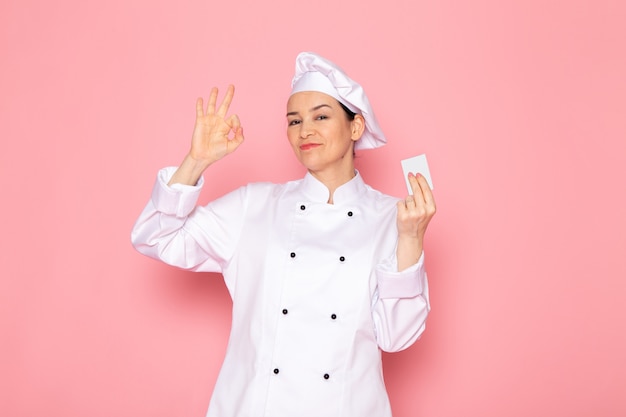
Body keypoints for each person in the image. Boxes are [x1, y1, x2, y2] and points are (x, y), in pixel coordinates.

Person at [131, 52, 436, 417]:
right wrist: (196, 160)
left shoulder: (395, 217)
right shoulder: (254, 205)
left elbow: (396, 337)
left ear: (356, 127)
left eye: (321, 116)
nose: (305, 130)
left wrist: (411, 239)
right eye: (294, 121)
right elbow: (153, 237)